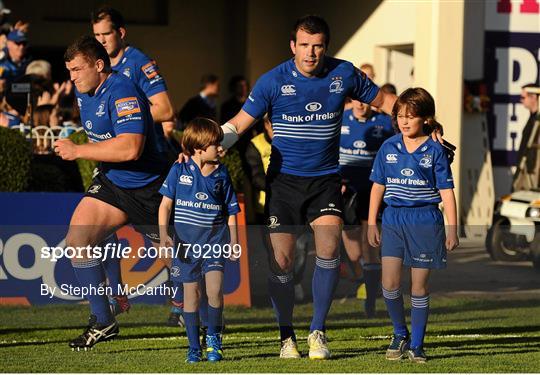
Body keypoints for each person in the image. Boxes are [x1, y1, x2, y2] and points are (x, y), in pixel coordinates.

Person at [181, 15, 399, 359]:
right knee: (281, 262)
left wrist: (422, 122)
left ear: (325, 46)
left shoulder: (344, 74)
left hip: (326, 180)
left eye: (318, 46)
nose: (311, 53)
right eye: (304, 46)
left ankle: (317, 332)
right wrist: (197, 148)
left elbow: (387, 103)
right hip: (283, 184)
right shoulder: (272, 81)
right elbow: (238, 123)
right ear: (293, 46)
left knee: (329, 250)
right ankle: (287, 337)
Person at [55, 35, 169, 350]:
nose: (72, 77)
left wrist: (78, 151)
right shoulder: (84, 91)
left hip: (150, 187)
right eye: (69, 71)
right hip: (114, 182)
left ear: (99, 65)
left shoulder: (122, 91)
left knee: (176, 262)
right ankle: (103, 321)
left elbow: (131, 147)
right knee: (78, 239)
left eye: (77, 69)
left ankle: (200, 317)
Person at [92, 6, 175, 315]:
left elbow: (166, 110)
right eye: (96, 35)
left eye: (106, 34)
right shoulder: (95, 67)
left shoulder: (138, 63)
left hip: (145, 168)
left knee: (161, 243)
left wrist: (125, 120)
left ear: (120, 33)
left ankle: (185, 299)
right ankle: (114, 296)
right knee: (93, 232)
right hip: (111, 165)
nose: (101, 40)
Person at [367, 87, 458, 363]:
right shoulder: (388, 146)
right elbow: (378, 186)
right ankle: (399, 333)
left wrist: (452, 228)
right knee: (389, 284)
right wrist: (372, 221)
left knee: (418, 287)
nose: (405, 121)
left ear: (427, 119)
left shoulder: (436, 150)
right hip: (394, 218)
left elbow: (447, 193)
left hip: (425, 220)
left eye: (411, 116)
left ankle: (417, 344)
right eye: (401, 116)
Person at [159, 118, 239, 363]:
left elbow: (232, 212)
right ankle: (194, 347)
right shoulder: (178, 170)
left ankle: (214, 338)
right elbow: (165, 205)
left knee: (214, 292)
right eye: (216, 144)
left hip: (214, 243)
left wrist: (234, 241)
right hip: (185, 247)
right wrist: (163, 235)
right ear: (200, 148)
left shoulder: (222, 174)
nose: (221, 148)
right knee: (191, 295)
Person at [339, 99, 394, 318]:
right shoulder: (340, 119)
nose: (360, 105)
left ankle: (371, 302)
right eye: (355, 101)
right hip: (347, 191)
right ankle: (363, 278)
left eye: (364, 101)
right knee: (353, 253)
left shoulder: (384, 123)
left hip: (373, 191)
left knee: (371, 245)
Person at [514, 83, 540, 186]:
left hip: (532, 172)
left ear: (533, 97)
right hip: (525, 168)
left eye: (523, 97)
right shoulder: (532, 119)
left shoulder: (537, 120)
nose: (521, 100)